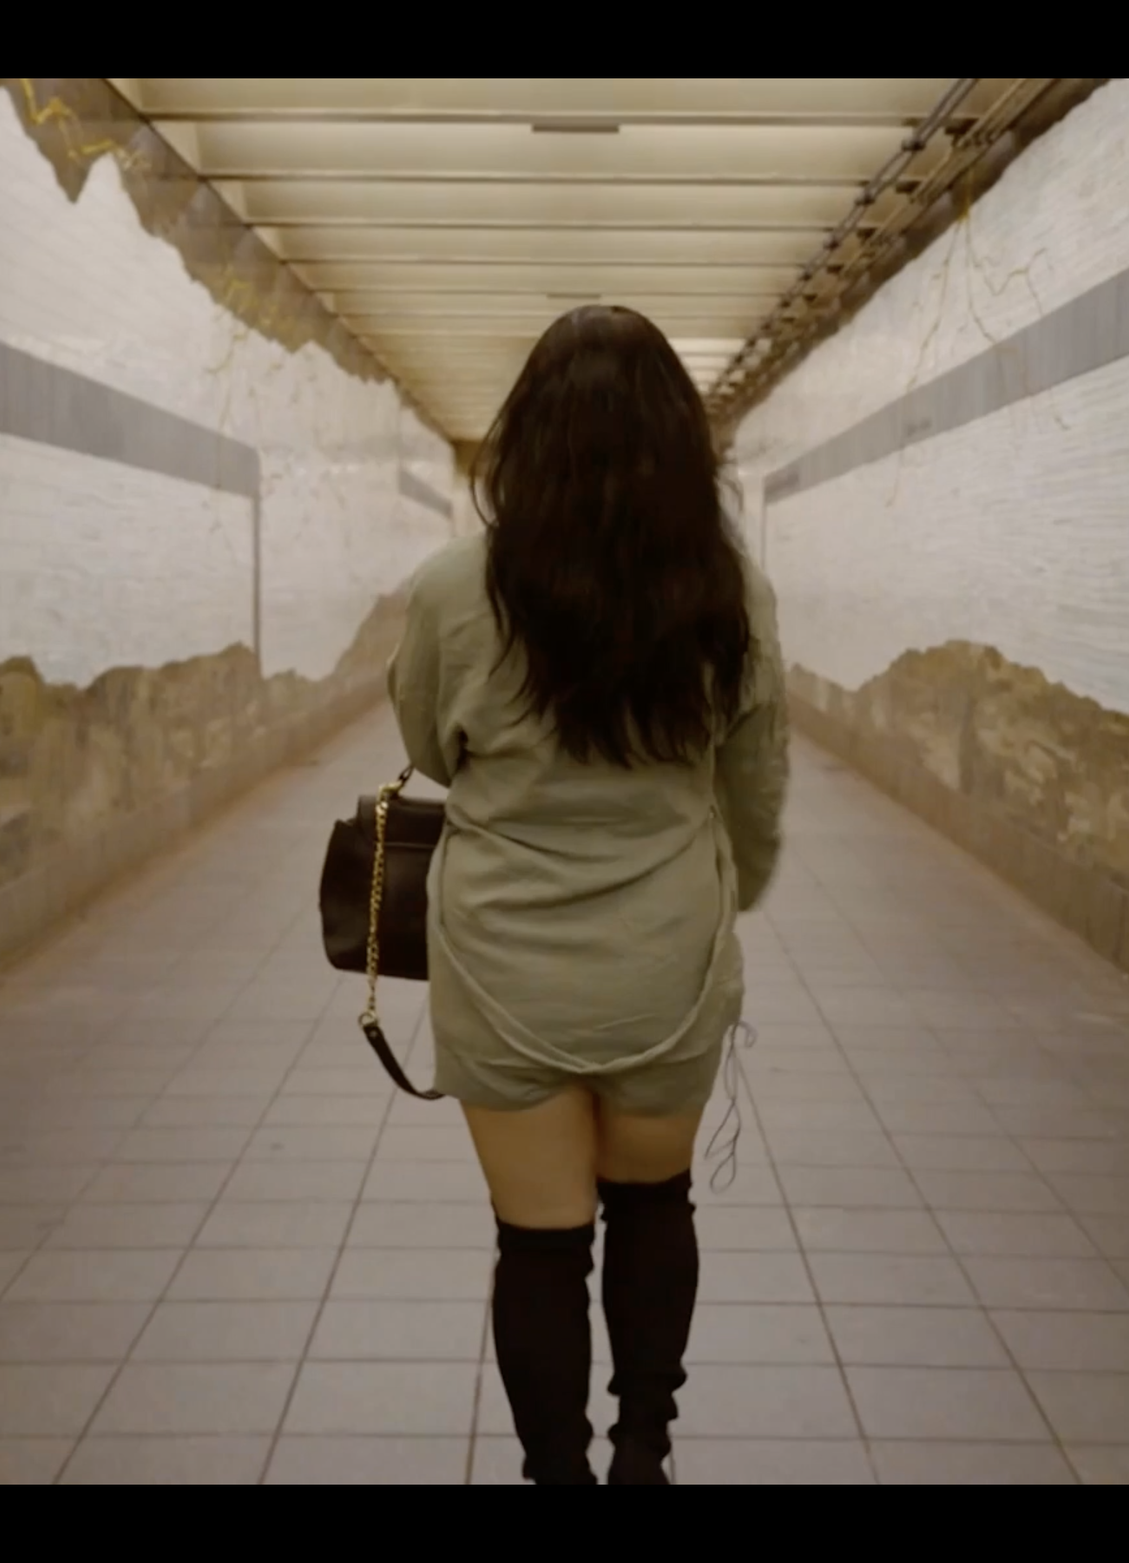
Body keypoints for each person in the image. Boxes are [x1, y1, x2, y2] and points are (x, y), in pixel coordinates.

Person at [386, 305, 792, 1485]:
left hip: (502, 963)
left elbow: (427, 742)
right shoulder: (730, 595)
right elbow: (752, 779)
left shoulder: (455, 588)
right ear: (682, 448)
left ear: (527, 440)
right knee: (654, 1208)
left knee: (538, 1245)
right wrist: (735, 891)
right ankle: (643, 1457)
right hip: (663, 962)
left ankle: (553, 1472)